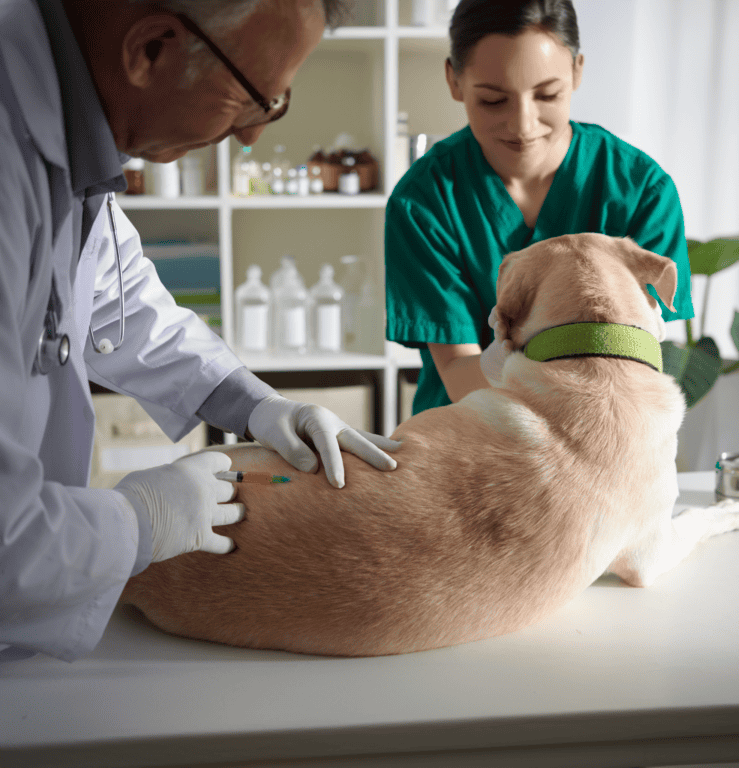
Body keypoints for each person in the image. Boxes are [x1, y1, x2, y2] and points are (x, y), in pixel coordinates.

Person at [0, 0, 402, 663]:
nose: (252, 138)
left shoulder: (66, 148)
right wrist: (140, 523)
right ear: (151, 49)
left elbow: (119, 304)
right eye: (254, 101)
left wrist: (255, 403)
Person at [385, 0, 695, 416]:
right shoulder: (424, 200)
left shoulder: (639, 189)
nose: (523, 125)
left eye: (548, 94)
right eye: (494, 100)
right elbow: (460, 375)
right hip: (471, 435)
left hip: (604, 431)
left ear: (577, 71)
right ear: (454, 81)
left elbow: (638, 357)